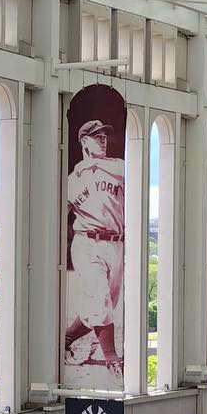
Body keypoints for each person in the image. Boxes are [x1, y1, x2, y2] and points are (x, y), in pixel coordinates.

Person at [63, 97, 126, 378]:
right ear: (83, 142)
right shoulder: (73, 179)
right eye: (96, 136)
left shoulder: (118, 167)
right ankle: (112, 359)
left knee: (102, 306)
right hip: (87, 242)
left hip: (117, 243)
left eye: (104, 136)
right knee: (99, 300)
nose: (102, 140)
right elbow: (59, 214)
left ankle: (66, 338)